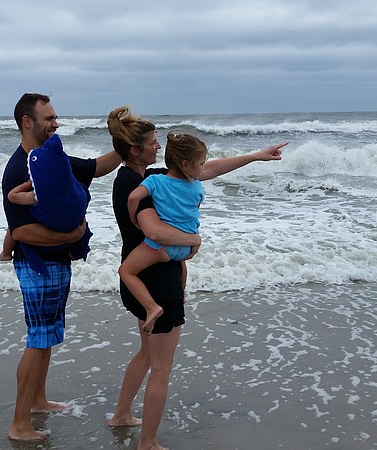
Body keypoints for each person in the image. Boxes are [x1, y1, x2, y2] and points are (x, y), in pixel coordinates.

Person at [106, 105, 287, 450]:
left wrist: (255, 156)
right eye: (152, 142)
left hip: (142, 277)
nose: (157, 147)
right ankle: (148, 443)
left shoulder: (149, 178)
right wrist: (195, 240)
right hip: (157, 282)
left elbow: (204, 171)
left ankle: (121, 415)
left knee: (146, 354)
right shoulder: (136, 182)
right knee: (162, 368)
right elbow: (154, 230)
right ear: (135, 150)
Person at [2, 93, 122, 442]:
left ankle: (37, 401)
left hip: (55, 262)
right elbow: (21, 231)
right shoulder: (18, 169)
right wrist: (71, 233)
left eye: (55, 117)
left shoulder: (50, 158)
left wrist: (124, 142)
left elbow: (96, 167)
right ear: (28, 122)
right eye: (49, 118)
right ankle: (19, 424)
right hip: (36, 265)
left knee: (49, 336)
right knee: (38, 339)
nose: (56, 123)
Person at [119, 133, 207, 334]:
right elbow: (195, 206)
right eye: (201, 164)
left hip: (161, 247)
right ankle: (181, 294)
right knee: (181, 264)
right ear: (185, 164)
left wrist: (134, 219)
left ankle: (151, 307)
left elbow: (133, 198)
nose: (202, 169)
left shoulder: (155, 181)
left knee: (126, 271)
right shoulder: (197, 187)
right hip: (186, 246)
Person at [0, 133, 91, 267]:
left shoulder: (37, 195)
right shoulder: (69, 187)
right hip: (70, 231)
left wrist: (31, 184)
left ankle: (5, 254)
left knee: (12, 228)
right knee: (82, 223)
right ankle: (74, 252)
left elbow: (12, 196)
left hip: (49, 239)